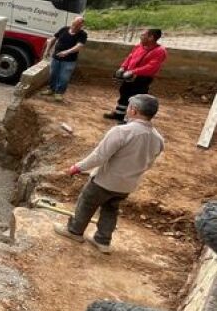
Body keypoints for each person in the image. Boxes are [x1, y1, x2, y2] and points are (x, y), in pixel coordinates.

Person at [55, 94, 164, 253]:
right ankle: (103, 241)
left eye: (129, 107)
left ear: (134, 110)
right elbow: (148, 163)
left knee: (86, 203)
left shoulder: (121, 131)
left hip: (105, 181)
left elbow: (99, 156)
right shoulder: (158, 138)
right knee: (110, 209)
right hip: (127, 185)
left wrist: (77, 167)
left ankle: (74, 231)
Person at [104, 29, 167, 122]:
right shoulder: (139, 46)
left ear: (151, 37)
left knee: (136, 98)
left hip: (142, 78)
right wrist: (123, 67)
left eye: (143, 35)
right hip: (130, 75)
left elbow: (151, 67)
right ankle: (119, 114)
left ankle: (129, 119)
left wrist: (133, 71)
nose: (140, 36)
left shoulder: (160, 51)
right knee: (124, 92)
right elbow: (130, 57)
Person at [41, 17, 87, 102]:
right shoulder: (64, 29)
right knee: (53, 74)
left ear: (81, 26)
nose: (75, 26)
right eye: (74, 24)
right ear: (72, 22)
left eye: (78, 25)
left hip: (69, 60)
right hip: (56, 57)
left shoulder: (83, 34)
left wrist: (67, 52)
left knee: (64, 77)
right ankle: (51, 89)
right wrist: (47, 51)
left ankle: (59, 93)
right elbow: (53, 39)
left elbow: (79, 46)